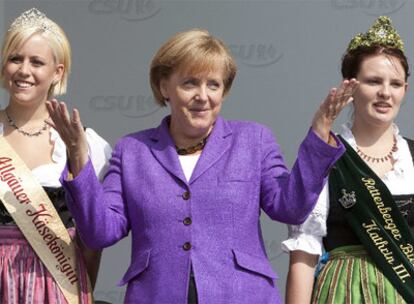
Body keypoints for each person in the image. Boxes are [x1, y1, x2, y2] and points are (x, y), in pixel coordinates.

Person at [47, 28, 355, 304]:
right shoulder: (132, 150)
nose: (203, 96)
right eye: (190, 83)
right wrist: (78, 155)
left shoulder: (253, 140)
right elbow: (100, 233)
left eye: (214, 84)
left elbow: (289, 208)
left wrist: (319, 135)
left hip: (243, 295)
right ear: (164, 86)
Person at [283, 16, 414, 303]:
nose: (385, 93)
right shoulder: (327, 157)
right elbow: (304, 253)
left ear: (405, 89)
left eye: (395, 83)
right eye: (373, 81)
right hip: (344, 293)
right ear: (351, 86)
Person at [0, 8, 111, 304]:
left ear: (57, 72)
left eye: (37, 62)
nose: (24, 70)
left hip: (57, 285)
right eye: (15, 58)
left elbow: (93, 238)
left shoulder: (83, 143)